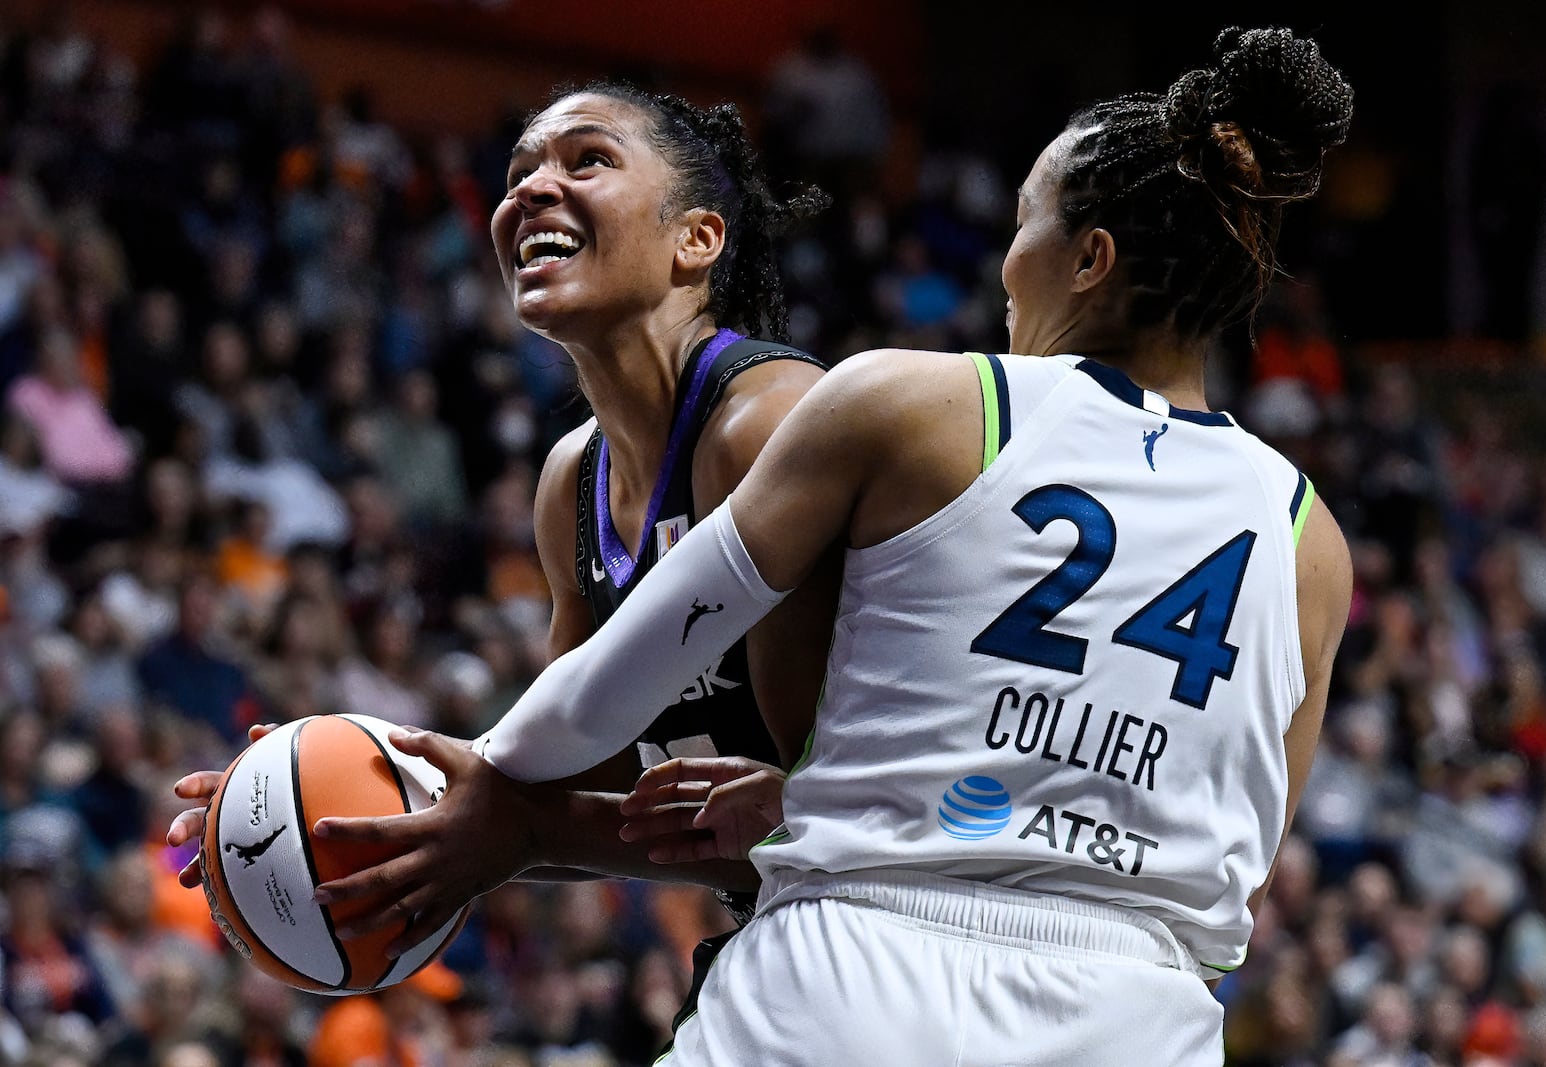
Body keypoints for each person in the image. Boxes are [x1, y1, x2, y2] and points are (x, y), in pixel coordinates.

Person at [418, 27, 1355, 1065]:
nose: (1005, 266)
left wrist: (478, 779)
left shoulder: (918, 399)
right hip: (1142, 1009)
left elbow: (634, 662)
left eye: (1022, 225)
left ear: (1086, 260)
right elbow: (1245, 859)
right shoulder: (1308, 534)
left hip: (864, 959)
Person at [167, 85, 838, 936]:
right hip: (789, 923)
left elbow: (826, 813)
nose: (528, 190)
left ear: (696, 239)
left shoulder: (763, 427)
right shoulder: (571, 482)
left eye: (587, 159)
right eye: (519, 171)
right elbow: (568, 779)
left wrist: (510, 828)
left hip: (913, 916)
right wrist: (334, 796)